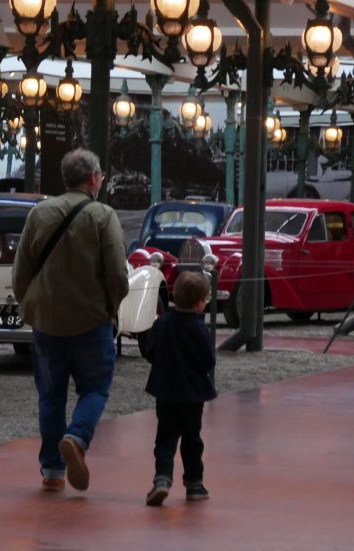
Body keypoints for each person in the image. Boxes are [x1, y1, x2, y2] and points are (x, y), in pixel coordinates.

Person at [12, 148, 129, 494]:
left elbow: (22, 270)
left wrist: (30, 305)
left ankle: (52, 471)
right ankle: (76, 437)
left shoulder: (40, 213)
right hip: (91, 319)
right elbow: (117, 273)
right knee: (95, 387)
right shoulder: (103, 215)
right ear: (93, 178)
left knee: (50, 396)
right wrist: (112, 307)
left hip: (46, 322)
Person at [141, 270, 217, 506]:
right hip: (192, 395)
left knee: (165, 437)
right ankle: (194, 483)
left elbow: (150, 351)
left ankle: (161, 479)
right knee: (192, 438)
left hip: (164, 391)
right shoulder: (198, 328)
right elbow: (208, 360)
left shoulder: (162, 323)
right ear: (199, 303)